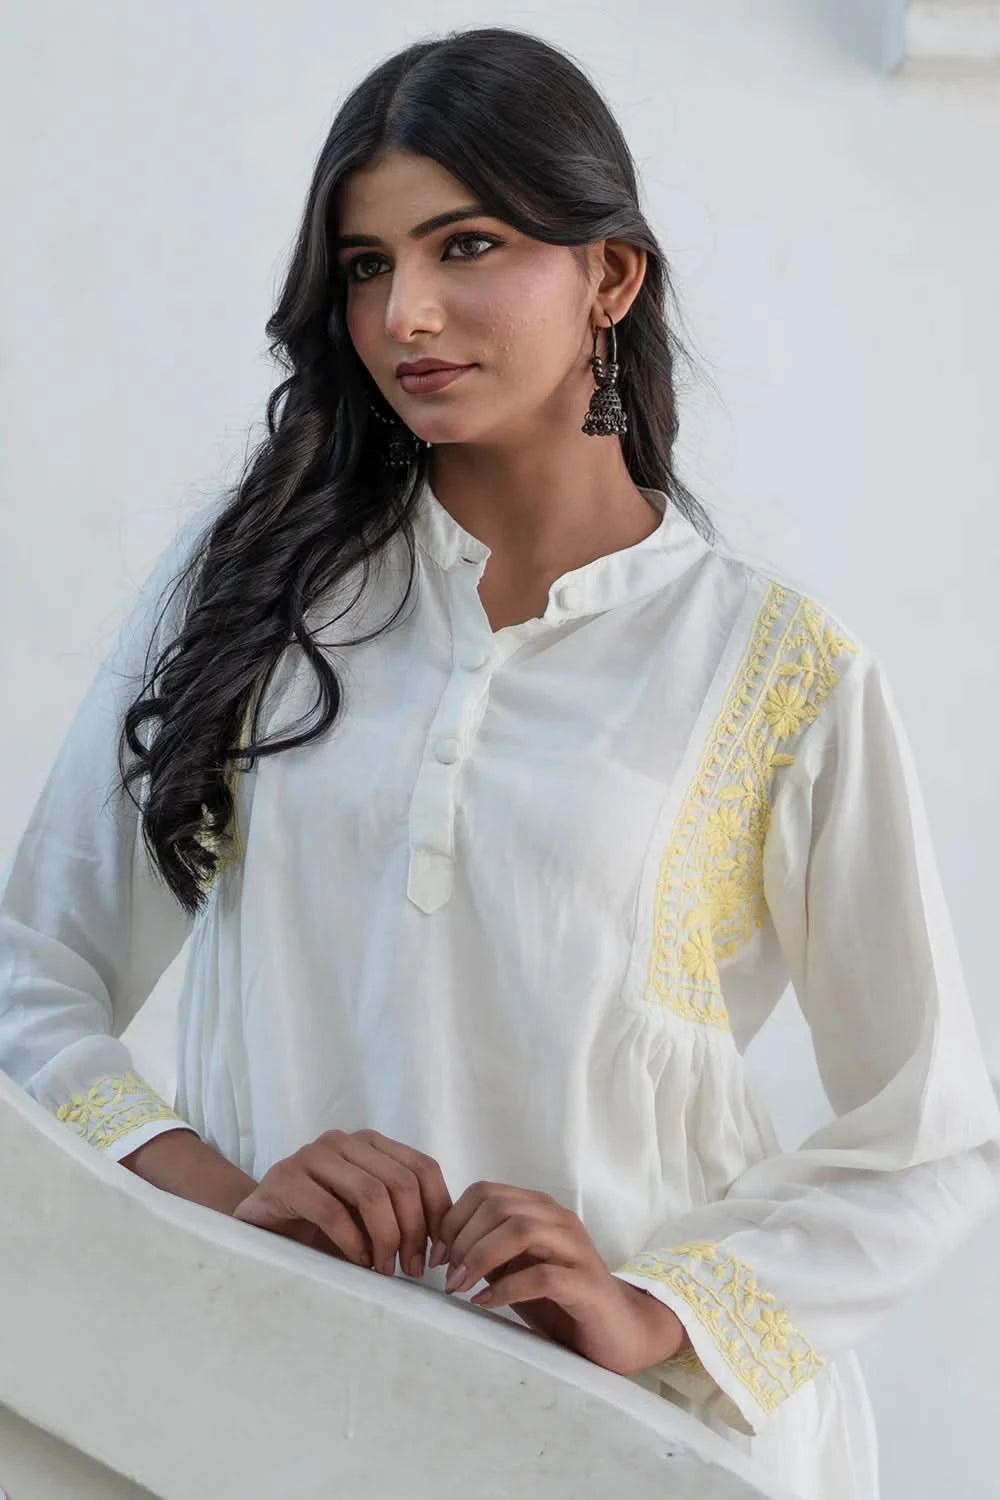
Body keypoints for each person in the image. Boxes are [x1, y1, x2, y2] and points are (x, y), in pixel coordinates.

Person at [2, 24, 998, 1500]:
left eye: (466, 245)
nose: (406, 311)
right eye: (363, 265)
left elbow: (924, 1139)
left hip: (633, 1446)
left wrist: (654, 1308)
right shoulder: (254, 591)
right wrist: (222, 1211)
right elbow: (34, 970)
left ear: (610, 275)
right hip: (260, 1411)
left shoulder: (781, 670)